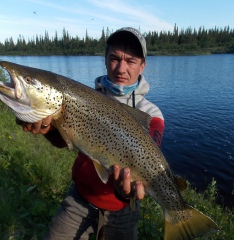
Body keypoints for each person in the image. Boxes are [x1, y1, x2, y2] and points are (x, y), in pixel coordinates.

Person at [21, 27, 164, 240]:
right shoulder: (85, 98)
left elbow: (144, 166)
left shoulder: (152, 115)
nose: (121, 68)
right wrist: (46, 129)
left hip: (123, 211)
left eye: (131, 61)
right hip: (79, 200)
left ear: (142, 65)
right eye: (114, 58)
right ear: (105, 60)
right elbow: (65, 140)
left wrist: (124, 192)